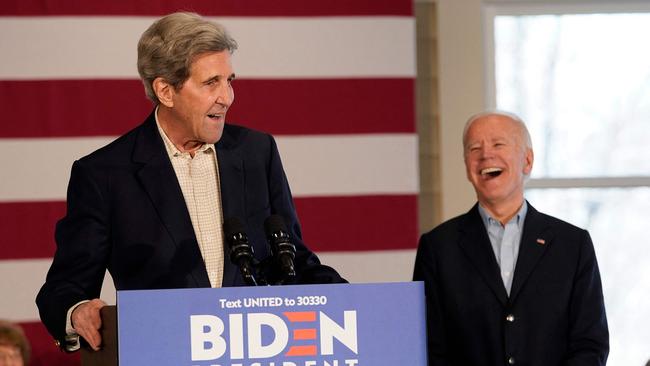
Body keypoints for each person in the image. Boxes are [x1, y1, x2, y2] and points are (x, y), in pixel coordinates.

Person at [36, 12, 345, 353]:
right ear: (166, 91)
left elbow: (294, 261)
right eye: (211, 82)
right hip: (163, 350)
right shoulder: (106, 174)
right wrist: (77, 310)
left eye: (230, 80)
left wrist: (361, 302)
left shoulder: (258, 153)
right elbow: (65, 286)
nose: (227, 97)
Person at [413, 111, 609, 365]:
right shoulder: (438, 248)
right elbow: (429, 350)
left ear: (527, 161)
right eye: (474, 148)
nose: (485, 155)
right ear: (466, 166)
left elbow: (590, 344)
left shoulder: (572, 245)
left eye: (498, 144)